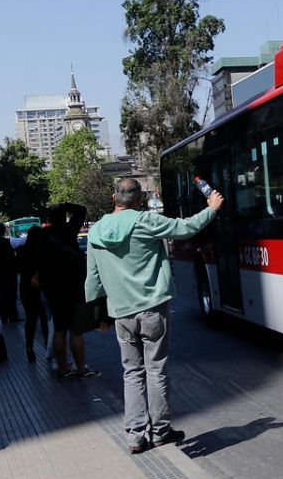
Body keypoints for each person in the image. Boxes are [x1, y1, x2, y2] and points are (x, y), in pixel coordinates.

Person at [84, 178, 224, 454]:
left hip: (121, 313)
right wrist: (212, 208)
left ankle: (136, 437)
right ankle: (160, 431)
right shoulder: (145, 221)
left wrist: (97, 315)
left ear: (114, 198)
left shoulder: (96, 231)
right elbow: (185, 228)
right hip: (151, 309)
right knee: (156, 370)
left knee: (131, 373)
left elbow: (92, 279)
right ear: (139, 200)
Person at [40, 202, 96, 380]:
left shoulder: (43, 235)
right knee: (76, 330)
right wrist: (64, 205)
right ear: (64, 217)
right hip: (73, 285)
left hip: (53, 287)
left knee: (59, 329)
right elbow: (81, 210)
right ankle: (81, 368)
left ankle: (63, 369)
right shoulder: (69, 230)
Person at [17, 225, 50, 362]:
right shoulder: (43, 251)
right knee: (44, 318)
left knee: (31, 318)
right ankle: (48, 345)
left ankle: (29, 346)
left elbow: (17, 268)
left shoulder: (21, 251)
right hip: (41, 287)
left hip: (25, 286)